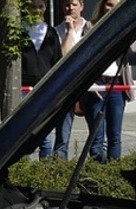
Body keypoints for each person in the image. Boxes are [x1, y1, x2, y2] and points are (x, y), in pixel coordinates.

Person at [83, 0, 136, 163]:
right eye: (108, 4)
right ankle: (98, 172)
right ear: (102, 6)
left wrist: (125, 26)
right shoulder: (90, 26)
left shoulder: (125, 24)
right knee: (96, 138)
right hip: (97, 84)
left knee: (114, 136)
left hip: (117, 84)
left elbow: (134, 48)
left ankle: (113, 171)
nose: (111, 8)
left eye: (115, 5)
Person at [21, 0, 62, 159]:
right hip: (23, 89)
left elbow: (57, 61)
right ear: (27, 8)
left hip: (45, 89)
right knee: (23, 132)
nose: (37, 10)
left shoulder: (51, 33)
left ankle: (44, 168)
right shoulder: (19, 31)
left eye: (40, 7)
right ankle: (22, 167)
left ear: (45, 8)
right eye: (33, 6)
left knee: (45, 134)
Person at [53, 0, 91, 160]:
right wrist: (69, 31)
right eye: (67, 5)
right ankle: (60, 168)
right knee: (62, 135)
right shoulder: (56, 31)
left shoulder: (90, 27)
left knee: (97, 135)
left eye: (74, 4)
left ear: (81, 6)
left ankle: (100, 168)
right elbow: (63, 55)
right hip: (66, 87)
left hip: (90, 86)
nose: (70, 8)